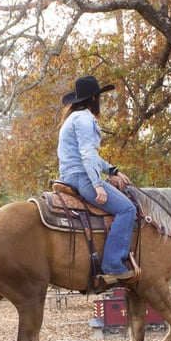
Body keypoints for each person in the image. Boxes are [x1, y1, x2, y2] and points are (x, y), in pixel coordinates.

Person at [57, 75, 137, 283]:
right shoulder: (85, 119)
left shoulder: (72, 119)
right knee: (127, 209)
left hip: (69, 175)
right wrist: (97, 185)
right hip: (82, 177)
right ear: (93, 98)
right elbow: (87, 155)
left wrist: (113, 171)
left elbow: (91, 156)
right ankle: (112, 265)